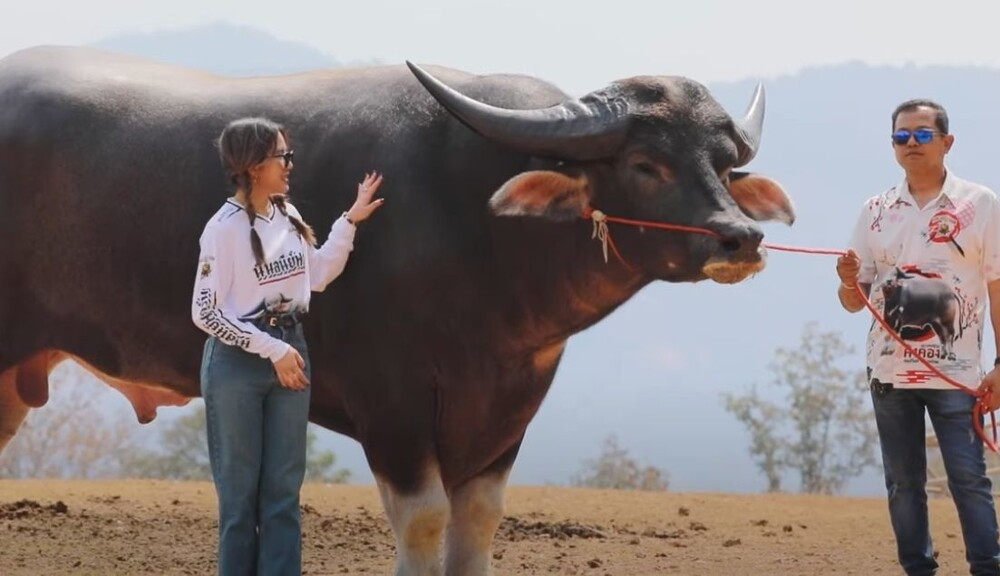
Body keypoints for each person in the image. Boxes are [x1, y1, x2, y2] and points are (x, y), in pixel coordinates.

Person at [191, 117, 384, 575]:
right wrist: (270, 349)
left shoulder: (289, 216)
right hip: (238, 364)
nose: (290, 164)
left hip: (291, 352)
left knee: (283, 495)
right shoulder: (223, 228)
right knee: (239, 503)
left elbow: (315, 276)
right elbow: (206, 312)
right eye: (282, 156)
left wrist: (349, 221)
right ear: (254, 165)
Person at [836, 99, 1000, 576]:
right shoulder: (875, 211)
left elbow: (996, 287)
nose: (911, 143)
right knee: (903, 482)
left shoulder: (981, 205)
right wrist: (848, 279)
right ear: (892, 145)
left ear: (947, 142)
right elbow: (853, 301)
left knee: (968, 478)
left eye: (922, 135)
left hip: (957, 371)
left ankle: (988, 567)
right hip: (888, 371)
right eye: (901, 136)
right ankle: (917, 568)